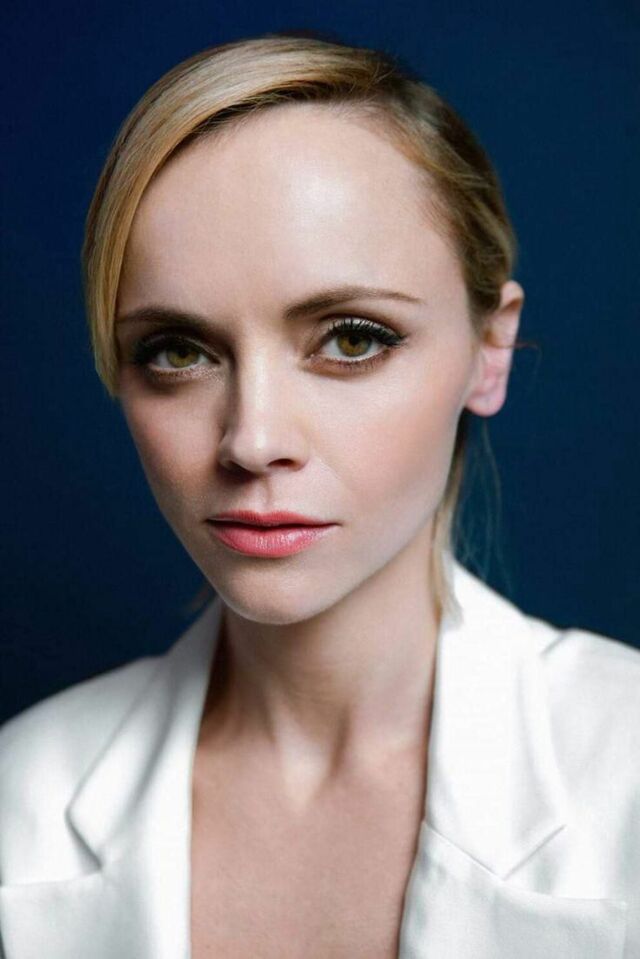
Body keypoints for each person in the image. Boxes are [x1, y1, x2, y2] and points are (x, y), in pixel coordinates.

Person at [0, 32, 637, 959]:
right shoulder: (17, 800)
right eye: (177, 350)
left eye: (351, 338)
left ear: (489, 349)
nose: (253, 439)